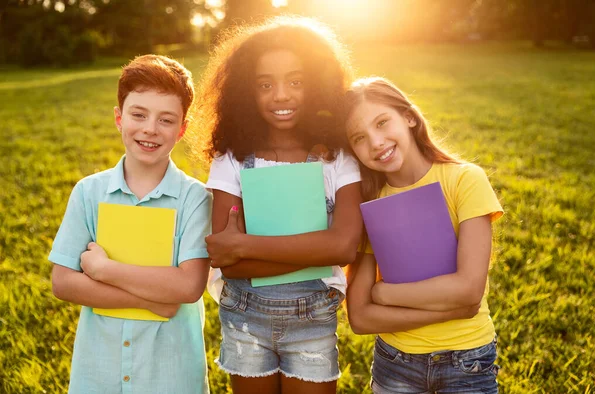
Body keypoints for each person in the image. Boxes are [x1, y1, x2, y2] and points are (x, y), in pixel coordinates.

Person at [187, 16, 363, 394]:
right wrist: (320, 248)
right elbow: (228, 264)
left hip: (313, 320)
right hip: (245, 318)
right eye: (265, 85)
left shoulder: (338, 159)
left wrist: (247, 244)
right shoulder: (231, 158)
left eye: (295, 82)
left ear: (317, 84)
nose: (280, 95)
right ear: (245, 93)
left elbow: (346, 246)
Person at [49, 54, 212, 394]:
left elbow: (187, 287)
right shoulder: (89, 193)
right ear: (119, 118)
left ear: (182, 129)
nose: (150, 129)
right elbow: (64, 282)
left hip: (170, 374)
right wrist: (152, 300)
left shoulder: (195, 198)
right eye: (139, 114)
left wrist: (104, 270)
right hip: (100, 371)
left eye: (166, 120)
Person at [343, 77, 504, 394]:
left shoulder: (464, 180)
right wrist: (452, 306)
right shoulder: (369, 203)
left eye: (382, 122)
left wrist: (385, 295)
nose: (376, 142)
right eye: (359, 137)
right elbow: (360, 317)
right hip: (395, 362)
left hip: (468, 361)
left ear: (409, 117)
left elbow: (469, 291)